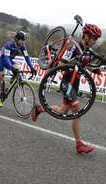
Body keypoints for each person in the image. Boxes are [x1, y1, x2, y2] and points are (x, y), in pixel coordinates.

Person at [31, 24, 102, 154]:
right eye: (93, 38)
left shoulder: (86, 51)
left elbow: (85, 65)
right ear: (86, 36)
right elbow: (62, 64)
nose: (94, 41)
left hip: (75, 84)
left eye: (96, 39)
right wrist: (75, 62)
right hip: (67, 83)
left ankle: (39, 109)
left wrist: (94, 69)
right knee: (77, 110)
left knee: (63, 110)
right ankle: (79, 144)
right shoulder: (74, 47)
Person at [0, 31, 37, 107]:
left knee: (18, 68)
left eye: (24, 40)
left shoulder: (23, 47)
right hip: (1, 60)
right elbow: (6, 57)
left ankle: (12, 81)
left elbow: (27, 58)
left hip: (9, 61)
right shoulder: (9, 45)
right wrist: (11, 67)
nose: (24, 42)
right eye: (22, 40)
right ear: (17, 39)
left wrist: (32, 68)